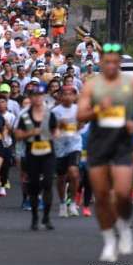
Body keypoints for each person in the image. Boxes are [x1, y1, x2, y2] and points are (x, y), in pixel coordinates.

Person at [77, 42, 133, 262]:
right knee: (103, 197)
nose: (111, 66)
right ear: (100, 62)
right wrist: (98, 109)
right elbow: (80, 115)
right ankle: (109, 240)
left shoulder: (132, 84)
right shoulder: (91, 85)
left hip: (122, 145)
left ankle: (124, 226)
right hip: (98, 145)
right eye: (107, 62)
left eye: (116, 62)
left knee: (124, 193)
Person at [15, 85, 58, 230]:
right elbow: (18, 135)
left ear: (44, 96)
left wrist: (55, 135)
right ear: (30, 97)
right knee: (33, 186)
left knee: (47, 183)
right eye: (34, 95)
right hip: (32, 154)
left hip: (48, 153)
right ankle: (34, 216)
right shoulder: (25, 115)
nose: (38, 98)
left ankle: (46, 216)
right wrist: (31, 133)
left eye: (40, 95)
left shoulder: (50, 114)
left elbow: (55, 131)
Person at [52, 85, 82, 218]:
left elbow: (81, 125)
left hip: (75, 144)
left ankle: (73, 203)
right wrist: (59, 126)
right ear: (60, 96)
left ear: (75, 96)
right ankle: (63, 203)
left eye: (71, 94)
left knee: (74, 173)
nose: (68, 96)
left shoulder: (78, 110)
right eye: (65, 94)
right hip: (60, 147)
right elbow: (52, 130)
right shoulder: (55, 112)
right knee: (61, 177)